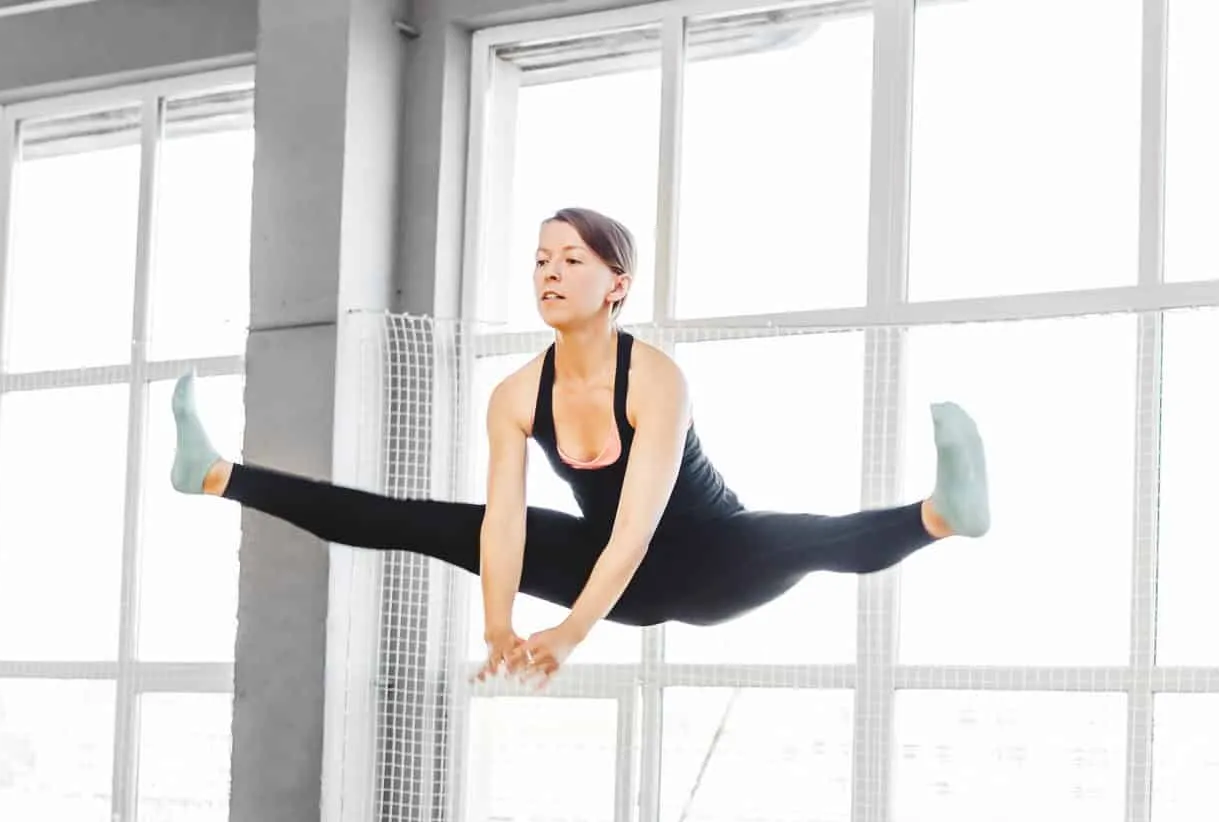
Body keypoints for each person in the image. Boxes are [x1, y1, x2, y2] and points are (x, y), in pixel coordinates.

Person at [168, 205, 989, 685]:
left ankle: (940, 517)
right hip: (608, 571)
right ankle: (214, 473)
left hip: (714, 561)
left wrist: (570, 633)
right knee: (422, 520)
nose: (548, 272)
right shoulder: (516, 394)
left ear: (616, 284)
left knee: (801, 535)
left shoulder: (656, 377)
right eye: (539, 260)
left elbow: (639, 527)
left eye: (571, 259)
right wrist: (499, 624)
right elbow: (503, 526)